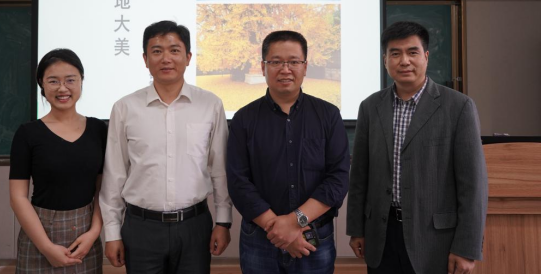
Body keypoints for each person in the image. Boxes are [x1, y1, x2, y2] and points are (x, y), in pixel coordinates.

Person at [347, 21, 488, 274]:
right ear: (385, 60)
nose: (404, 61)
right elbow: (359, 175)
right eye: (395, 53)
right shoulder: (370, 107)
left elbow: (473, 185)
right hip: (382, 235)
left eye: (412, 52)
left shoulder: (459, 107)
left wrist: (467, 247)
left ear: (426, 56)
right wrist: (357, 229)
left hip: (435, 240)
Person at [100, 20, 232, 274]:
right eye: (157, 51)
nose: (166, 58)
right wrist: (112, 232)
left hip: (194, 226)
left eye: (174, 50)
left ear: (188, 57)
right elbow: (115, 174)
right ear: (145, 59)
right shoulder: (125, 108)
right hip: (141, 227)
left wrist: (223, 221)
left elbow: (220, 169)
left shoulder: (210, 104)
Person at [227, 30, 350, 274]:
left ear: (305, 66)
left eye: (294, 61)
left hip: (313, 236)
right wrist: (278, 229)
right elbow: (238, 182)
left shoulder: (328, 115)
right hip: (260, 238)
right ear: (263, 67)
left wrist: (294, 222)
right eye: (276, 62)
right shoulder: (244, 118)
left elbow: (338, 178)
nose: (285, 69)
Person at [9, 48, 106, 273]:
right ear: (42, 84)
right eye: (53, 81)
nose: (62, 88)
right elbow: (18, 197)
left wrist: (94, 233)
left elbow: (103, 189)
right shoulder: (27, 133)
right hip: (40, 235)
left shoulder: (98, 129)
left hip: (86, 237)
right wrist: (46, 247)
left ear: (81, 81)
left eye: (70, 80)